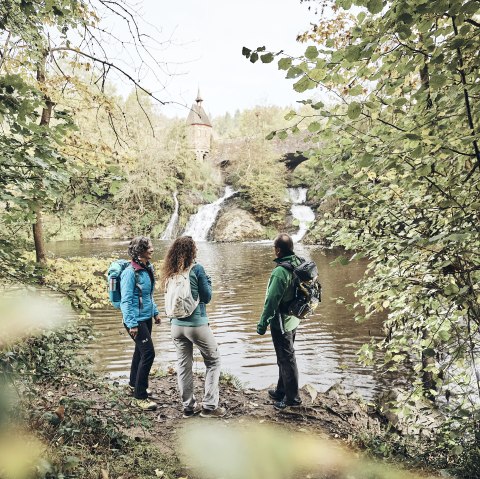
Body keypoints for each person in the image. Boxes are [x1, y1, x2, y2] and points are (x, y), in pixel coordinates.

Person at [161, 236, 225, 418]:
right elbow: (206, 297)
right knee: (213, 362)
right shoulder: (197, 269)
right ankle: (210, 407)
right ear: (192, 251)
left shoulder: (171, 272)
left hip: (176, 326)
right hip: (196, 325)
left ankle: (189, 407)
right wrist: (209, 282)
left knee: (183, 366)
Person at [256, 233, 303, 410]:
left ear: (277, 250)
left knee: (287, 359)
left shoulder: (280, 272)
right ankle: (281, 390)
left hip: (282, 322)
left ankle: (292, 399)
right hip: (293, 319)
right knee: (284, 357)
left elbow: (271, 301)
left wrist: (262, 324)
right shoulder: (298, 262)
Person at [121, 236, 160, 411]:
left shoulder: (147, 268)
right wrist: (131, 324)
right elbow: (126, 302)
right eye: (149, 247)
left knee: (140, 352)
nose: (152, 249)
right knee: (149, 354)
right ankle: (139, 396)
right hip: (135, 321)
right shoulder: (130, 273)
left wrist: (155, 313)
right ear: (140, 251)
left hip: (146, 317)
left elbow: (148, 295)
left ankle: (133, 385)